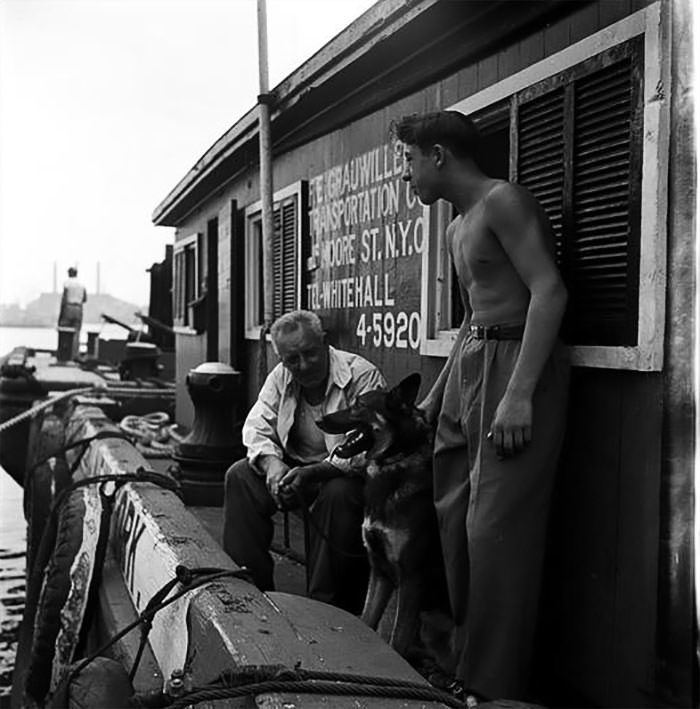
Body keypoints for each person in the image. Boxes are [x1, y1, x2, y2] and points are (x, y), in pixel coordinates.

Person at [396, 111, 570, 702]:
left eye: (409, 161)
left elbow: (549, 290)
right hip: (471, 368)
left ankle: (491, 688)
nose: (406, 175)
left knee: (494, 531)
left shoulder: (504, 202)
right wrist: (434, 398)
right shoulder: (455, 227)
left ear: (438, 155)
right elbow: (472, 318)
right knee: (453, 517)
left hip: (518, 366)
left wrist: (520, 393)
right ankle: (468, 664)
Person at [222, 310, 386, 614]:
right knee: (241, 476)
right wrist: (273, 468)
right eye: (292, 360)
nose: (303, 365)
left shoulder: (361, 375)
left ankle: (325, 609)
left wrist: (314, 472)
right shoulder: (281, 377)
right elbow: (256, 427)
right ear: (282, 360)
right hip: (296, 470)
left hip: (345, 476)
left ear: (324, 342)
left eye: (310, 353)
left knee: (339, 494)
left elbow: (366, 446)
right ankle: (249, 593)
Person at [58, 267, 87, 358]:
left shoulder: (67, 283)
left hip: (68, 307)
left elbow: (64, 297)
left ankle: (64, 354)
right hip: (78, 308)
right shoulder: (82, 284)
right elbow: (85, 299)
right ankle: (75, 354)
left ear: (69, 273)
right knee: (77, 331)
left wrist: (61, 313)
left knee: (65, 331)